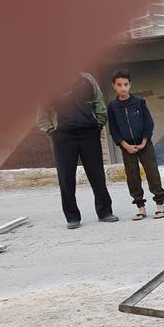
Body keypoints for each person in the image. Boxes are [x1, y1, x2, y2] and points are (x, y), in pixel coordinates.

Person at [37, 72, 119, 229]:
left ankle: (105, 212)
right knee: (66, 178)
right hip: (63, 137)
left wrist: (98, 125)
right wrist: (52, 132)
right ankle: (72, 217)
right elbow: (42, 113)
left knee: (97, 175)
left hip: (89, 134)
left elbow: (99, 104)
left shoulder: (87, 79)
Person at [106, 69, 164, 220]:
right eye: (119, 85)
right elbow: (113, 129)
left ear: (130, 85)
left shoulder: (139, 102)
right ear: (114, 86)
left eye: (126, 84)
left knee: (152, 172)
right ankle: (141, 207)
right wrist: (125, 145)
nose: (123, 88)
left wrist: (144, 141)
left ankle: (160, 206)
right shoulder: (113, 106)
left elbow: (149, 122)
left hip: (144, 144)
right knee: (132, 176)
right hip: (127, 147)